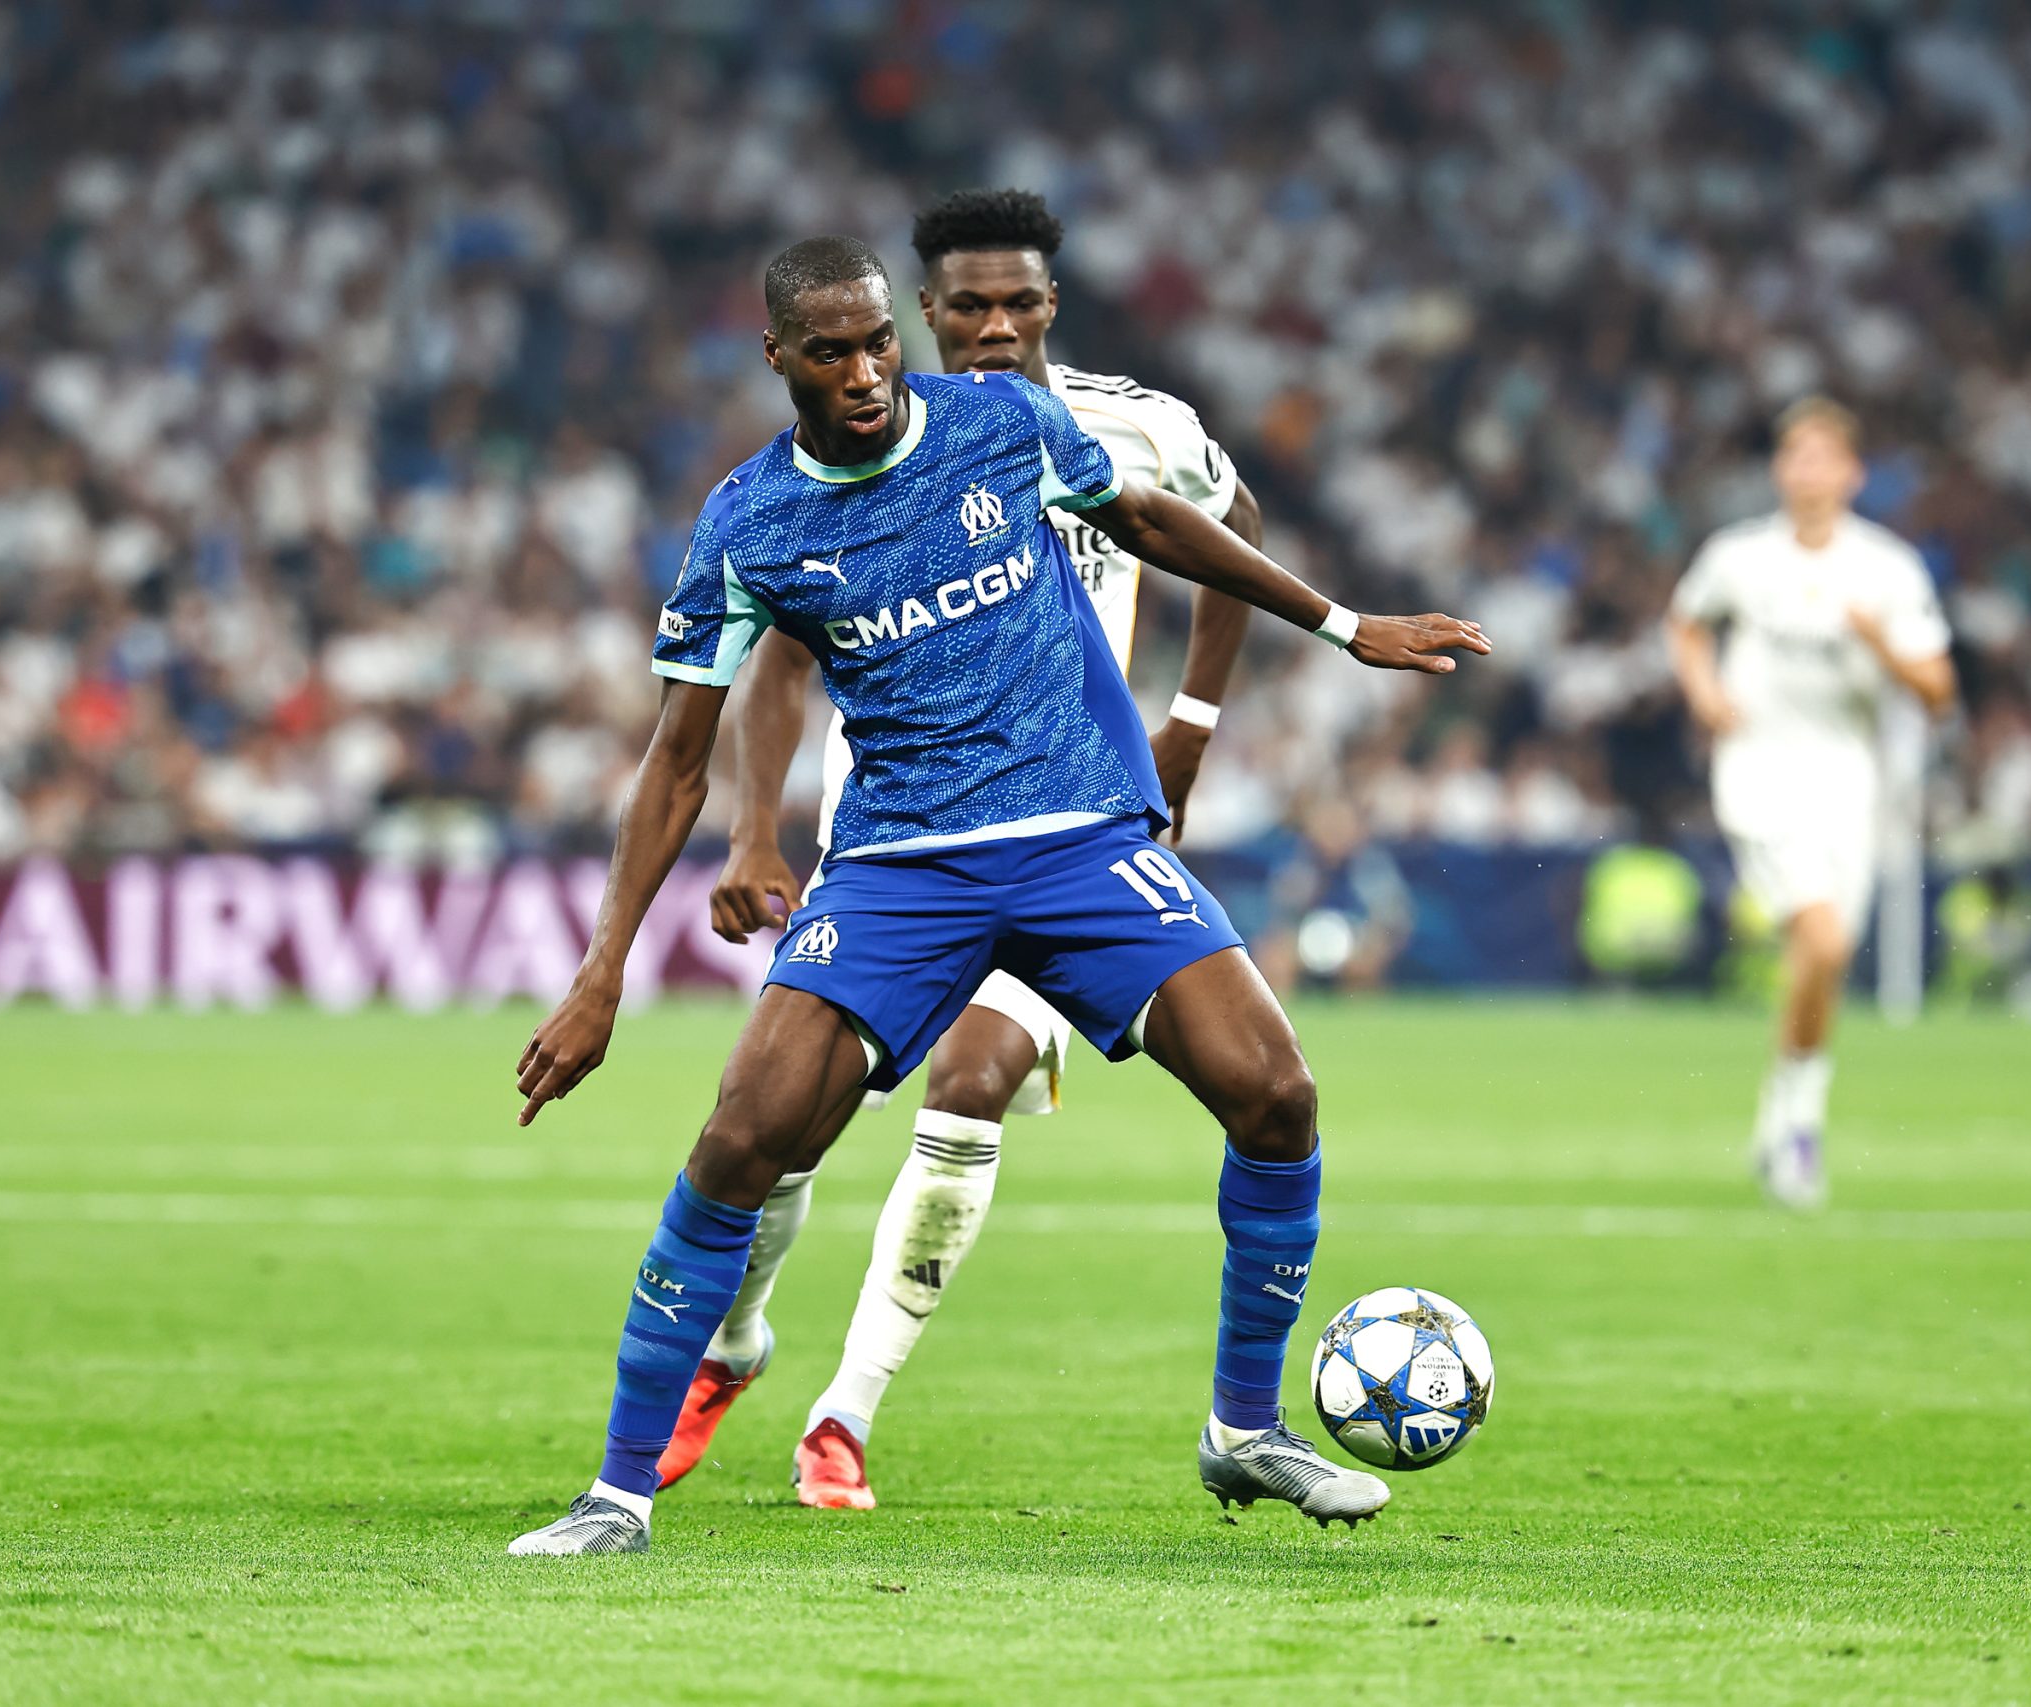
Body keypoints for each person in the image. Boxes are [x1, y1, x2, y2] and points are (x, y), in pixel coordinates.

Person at [504, 235, 1489, 1556]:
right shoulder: (751, 519)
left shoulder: (1002, 420)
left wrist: (1346, 626)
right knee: (744, 1135)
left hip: (1082, 837)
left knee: (1276, 1089)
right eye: (832, 352)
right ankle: (618, 1491)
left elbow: (1148, 517)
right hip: (903, 866)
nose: (864, 373)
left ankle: (1242, 1429)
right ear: (779, 358)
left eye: (876, 344)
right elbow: (675, 754)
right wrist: (601, 968)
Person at [662, 188, 1267, 1510]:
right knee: (784, 1130)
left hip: (1065, 828)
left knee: (974, 1075)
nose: (994, 329)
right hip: (897, 840)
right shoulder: (874, 449)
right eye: (967, 308)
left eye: (1021, 304)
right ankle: (732, 1340)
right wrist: (755, 827)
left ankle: (848, 1409)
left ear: (1054, 306)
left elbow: (1234, 528)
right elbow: (772, 662)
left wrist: (1192, 724)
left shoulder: (1138, 426)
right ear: (922, 314)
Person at [1665, 398, 1954, 1210]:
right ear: (1780, 469)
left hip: (1849, 782)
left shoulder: (1888, 570)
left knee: (1821, 958)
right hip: (1759, 773)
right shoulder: (1741, 556)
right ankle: (1799, 1130)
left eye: (1826, 457)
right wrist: (1705, 691)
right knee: (1821, 942)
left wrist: (1880, 643)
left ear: (1853, 474)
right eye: (1796, 456)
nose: (1809, 471)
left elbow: (1939, 689)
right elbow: (1686, 624)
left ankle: (1785, 1112)